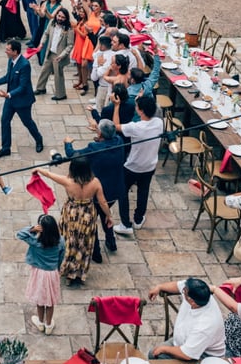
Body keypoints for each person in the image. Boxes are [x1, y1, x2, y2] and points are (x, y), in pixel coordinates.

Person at [37, 157, 114, 287]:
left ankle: (68, 270)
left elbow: (49, 175)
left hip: (71, 214)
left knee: (70, 241)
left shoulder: (68, 182)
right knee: (84, 244)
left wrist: (38, 169)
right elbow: (103, 202)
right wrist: (109, 215)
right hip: (87, 216)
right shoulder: (95, 182)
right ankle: (78, 271)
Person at [64, 119, 125, 260]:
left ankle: (96, 252)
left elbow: (73, 155)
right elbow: (111, 135)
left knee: (92, 220)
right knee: (105, 215)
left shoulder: (94, 148)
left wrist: (67, 143)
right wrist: (99, 132)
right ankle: (111, 242)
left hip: (98, 192)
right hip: (115, 189)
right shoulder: (119, 141)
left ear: (101, 134)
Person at [0, 40, 44, 157]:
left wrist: (8, 94)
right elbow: (7, 77)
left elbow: (23, 87)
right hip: (10, 99)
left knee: (27, 122)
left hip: (22, 100)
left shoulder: (24, 65)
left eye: (8, 50)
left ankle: (39, 139)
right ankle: (6, 148)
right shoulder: (11, 60)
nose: (5, 51)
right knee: (4, 121)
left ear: (15, 52)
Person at [112, 95, 162, 234]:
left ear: (141, 111)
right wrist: (141, 100)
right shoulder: (159, 123)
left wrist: (116, 106)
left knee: (122, 192)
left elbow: (115, 126)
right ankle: (138, 219)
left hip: (133, 166)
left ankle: (125, 224)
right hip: (150, 165)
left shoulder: (135, 127)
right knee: (143, 191)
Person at [146, 278, 225, 360]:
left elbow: (187, 354)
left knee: (157, 356)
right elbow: (177, 285)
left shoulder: (205, 325)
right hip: (184, 341)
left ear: (192, 302)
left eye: (184, 291)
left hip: (203, 355)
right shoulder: (197, 292)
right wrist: (159, 287)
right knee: (152, 353)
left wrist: (164, 349)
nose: (182, 289)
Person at [17, 214, 65, 334]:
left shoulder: (35, 241)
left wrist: (32, 229)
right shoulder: (60, 241)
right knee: (50, 301)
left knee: (40, 300)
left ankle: (40, 322)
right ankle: (48, 325)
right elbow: (61, 257)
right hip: (52, 273)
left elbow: (20, 234)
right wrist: (58, 268)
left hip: (39, 273)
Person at [33, 9, 74, 101]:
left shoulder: (69, 29)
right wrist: (42, 43)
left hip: (59, 55)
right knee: (44, 70)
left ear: (66, 18)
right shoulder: (52, 23)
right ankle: (40, 88)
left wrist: (62, 55)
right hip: (50, 52)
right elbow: (46, 34)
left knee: (58, 75)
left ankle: (61, 94)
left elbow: (70, 45)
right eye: (59, 16)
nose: (60, 18)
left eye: (63, 17)